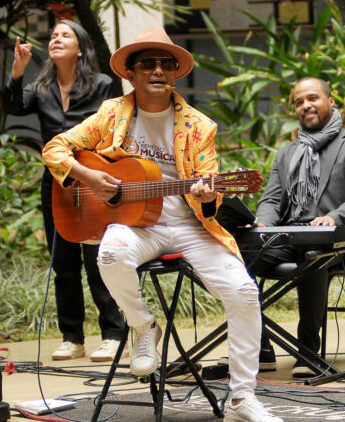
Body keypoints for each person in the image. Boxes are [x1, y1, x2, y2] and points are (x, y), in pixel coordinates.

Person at [41, 27, 282, 422]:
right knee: (110, 254)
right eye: (147, 64)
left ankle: (241, 398)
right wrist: (88, 177)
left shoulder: (199, 127)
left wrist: (208, 197)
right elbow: (54, 148)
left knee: (243, 292)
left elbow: (211, 190)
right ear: (131, 74)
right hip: (135, 226)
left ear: (175, 73)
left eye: (165, 64)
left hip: (189, 226)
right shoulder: (111, 114)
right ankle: (142, 325)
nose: (157, 70)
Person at [2, 20, 125, 362]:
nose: (56, 39)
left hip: (94, 181)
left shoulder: (102, 85)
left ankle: (113, 333)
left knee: (97, 258)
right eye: (53, 35)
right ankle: (72, 337)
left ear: (80, 47)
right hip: (56, 183)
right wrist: (17, 71)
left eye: (64, 35)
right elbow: (12, 106)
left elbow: (115, 130)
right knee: (64, 262)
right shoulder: (41, 88)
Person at [247, 77, 345, 378]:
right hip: (287, 236)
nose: (305, 105)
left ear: (330, 101)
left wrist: (333, 218)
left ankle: (307, 350)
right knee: (235, 259)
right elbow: (271, 200)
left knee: (312, 253)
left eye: (312, 98)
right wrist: (263, 223)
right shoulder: (287, 153)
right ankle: (262, 347)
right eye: (298, 102)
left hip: (337, 242)